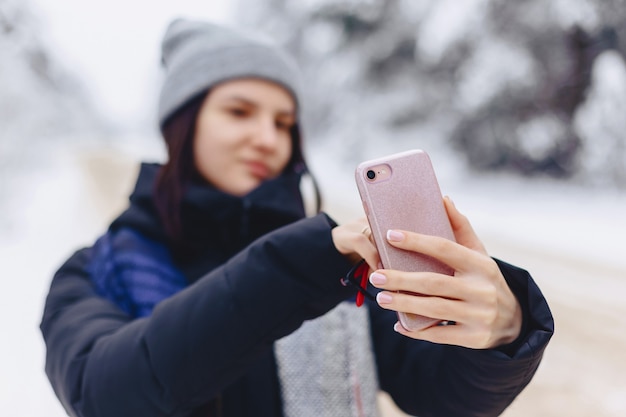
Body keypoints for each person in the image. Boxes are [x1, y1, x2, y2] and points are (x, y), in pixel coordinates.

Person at [40, 18, 553, 417]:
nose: (267, 137)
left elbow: (441, 396)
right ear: (183, 126)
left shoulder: (343, 269)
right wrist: (303, 263)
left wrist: (505, 335)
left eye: (284, 123)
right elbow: (106, 396)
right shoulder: (92, 273)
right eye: (239, 112)